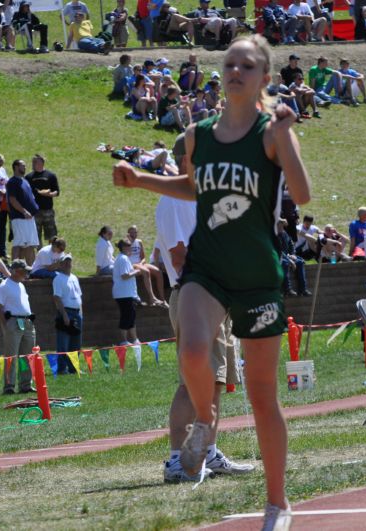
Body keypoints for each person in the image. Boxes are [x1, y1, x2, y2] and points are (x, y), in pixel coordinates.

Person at [113, 34, 310, 529]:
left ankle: (277, 502)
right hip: (207, 269)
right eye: (230, 64)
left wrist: (286, 134)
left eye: (247, 65)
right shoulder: (199, 133)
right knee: (195, 353)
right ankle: (205, 421)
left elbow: (302, 195)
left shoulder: (271, 131)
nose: (236, 71)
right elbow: (194, 188)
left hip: (259, 275)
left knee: (263, 395)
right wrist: (140, 179)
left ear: (264, 76)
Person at [154, 134, 254, 484]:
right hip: (195, 297)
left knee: (214, 382)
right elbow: (180, 256)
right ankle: (177, 460)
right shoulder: (173, 198)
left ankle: (207, 453)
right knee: (190, 382)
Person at [0, 259, 37, 394]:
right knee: (11, 356)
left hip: (27, 322)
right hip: (13, 322)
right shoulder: (4, 285)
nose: (26, 274)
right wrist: (5, 324)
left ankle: (25, 384)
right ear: (16, 271)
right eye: (24, 271)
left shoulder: (21, 285)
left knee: (27, 356)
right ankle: (9, 386)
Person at [52, 254, 82, 374]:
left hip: (77, 312)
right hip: (66, 312)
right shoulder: (58, 279)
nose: (67, 264)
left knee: (76, 343)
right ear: (60, 264)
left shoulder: (74, 277)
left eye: (69, 262)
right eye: (65, 262)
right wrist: (64, 314)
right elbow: (57, 298)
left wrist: (81, 313)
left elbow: (79, 296)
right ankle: (62, 369)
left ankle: (73, 367)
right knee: (63, 343)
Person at [7, 159, 39, 264]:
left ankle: (31, 269)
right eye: (22, 165)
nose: (25, 167)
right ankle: (15, 267)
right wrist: (24, 211)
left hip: (29, 218)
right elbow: (12, 200)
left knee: (29, 244)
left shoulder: (25, 181)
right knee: (19, 243)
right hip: (20, 218)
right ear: (16, 167)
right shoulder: (12, 182)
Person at [127, 225, 167, 306]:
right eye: (131, 232)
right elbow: (126, 255)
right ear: (128, 234)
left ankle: (163, 299)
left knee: (158, 271)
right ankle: (152, 298)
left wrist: (141, 263)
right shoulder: (126, 243)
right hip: (131, 264)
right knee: (146, 271)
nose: (134, 234)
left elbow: (143, 257)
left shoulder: (139, 242)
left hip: (140, 264)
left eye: (135, 232)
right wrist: (130, 242)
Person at [25, 154, 59, 245]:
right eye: (32, 162)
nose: (33, 164)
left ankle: (51, 254)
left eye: (35, 162)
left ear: (41, 163)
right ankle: (39, 254)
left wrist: (49, 194)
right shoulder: (28, 177)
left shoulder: (51, 175)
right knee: (36, 235)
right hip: (35, 211)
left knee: (52, 235)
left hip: (48, 210)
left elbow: (56, 191)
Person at [113, 240, 142, 345]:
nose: (131, 249)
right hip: (123, 294)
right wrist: (137, 272)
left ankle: (134, 339)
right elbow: (124, 276)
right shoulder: (123, 259)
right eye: (129, 247)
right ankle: (123, 340)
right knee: (126, 316)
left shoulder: (123, 258)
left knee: (131, 316)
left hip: (127, 293)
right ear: (124, 248)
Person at [277, 219, 309, 297]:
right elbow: (278, 250)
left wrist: (292, 254)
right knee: (285, 263)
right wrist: (289, 259)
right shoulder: (273, 235)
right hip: (278, 257)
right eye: (280, 224)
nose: (282, 226)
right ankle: (287, 289)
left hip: (287, 256)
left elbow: (291, 244)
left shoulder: (284, 233)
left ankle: (303, 289)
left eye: (282, 224)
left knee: (300, 262)